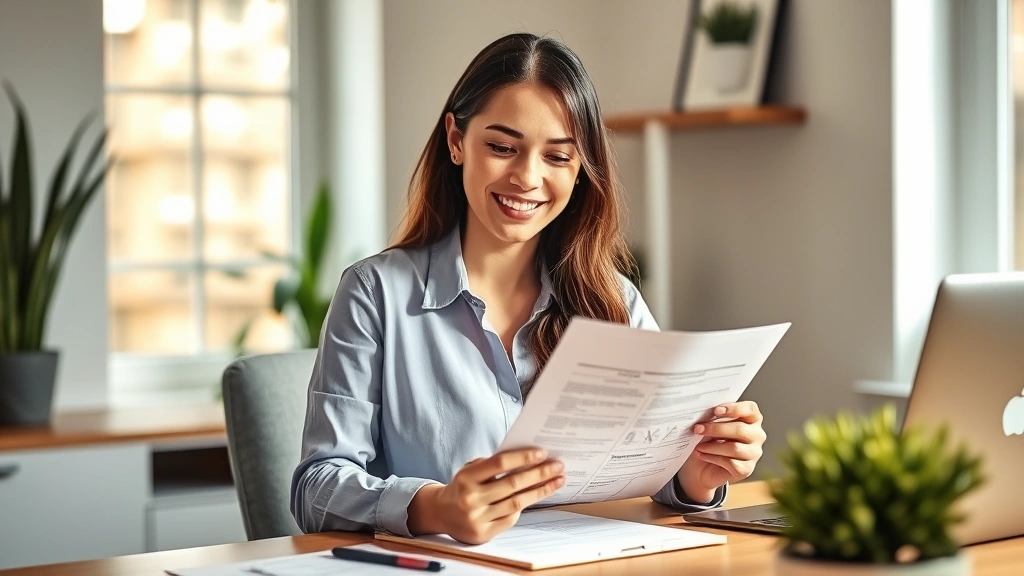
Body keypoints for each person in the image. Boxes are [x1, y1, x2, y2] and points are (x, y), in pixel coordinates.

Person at [290, 32, 767, 545]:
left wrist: (697, 473)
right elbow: (316, 488)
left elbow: (655, 464)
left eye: (558, 157)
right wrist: (435, 507)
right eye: (502, 147)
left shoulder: (615, 300)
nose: (527, 177)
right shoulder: (374, 294)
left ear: (581, 170)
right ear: (456, 140)